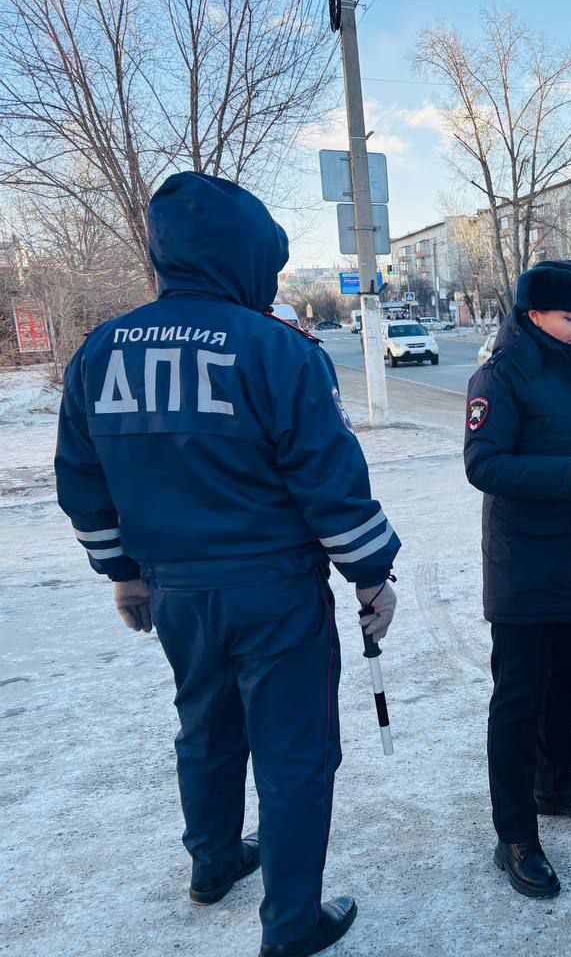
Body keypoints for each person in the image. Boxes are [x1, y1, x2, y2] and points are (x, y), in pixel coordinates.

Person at [54, 172, 399, 957]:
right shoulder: (277, 349)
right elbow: (331, 484)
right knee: (295, 754)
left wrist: (123, 574)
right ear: (247, 259)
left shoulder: (102, 351)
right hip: (273, 592)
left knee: (205, 728)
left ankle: (212, 863)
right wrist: (372, 574)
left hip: (176, 592)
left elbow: (81, 478)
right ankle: (291, 924)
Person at [464, 259, 571, 900]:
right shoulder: (501, 376)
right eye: (570, 316)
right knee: (519, 698)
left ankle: (555, 782)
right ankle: (515, 836)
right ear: (534, 315)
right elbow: (484, 465)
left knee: (567, 680)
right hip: (525, 560)